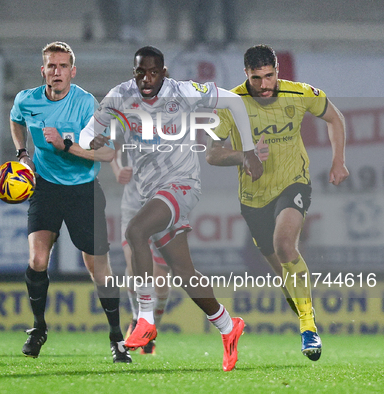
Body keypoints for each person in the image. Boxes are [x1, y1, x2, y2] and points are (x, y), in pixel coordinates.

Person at [80, 46, 263, 371]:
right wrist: (93, 141)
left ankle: (146, 319)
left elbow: (234, 101)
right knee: (184, 273)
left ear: (164, 73)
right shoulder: (119, 96)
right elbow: (87, 135)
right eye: (140, 73)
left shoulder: (185, 92)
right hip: (151, 191)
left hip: (182, 184)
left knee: (136, 231)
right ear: (134, 73)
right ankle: (227, 325)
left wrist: (247, 149)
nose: (146, 79)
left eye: (153, 72)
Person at [206, 44, 349, 361]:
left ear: (277, 72)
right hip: (253, 198)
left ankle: (309, 328)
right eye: (256, 78)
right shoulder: (231, 104)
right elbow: (212, 154)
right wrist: (244, 156)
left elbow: (335, 118)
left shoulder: (299, 94)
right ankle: (304, 317)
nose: (264, 85)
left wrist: (338, 161)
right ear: (246, 74)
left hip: (293, 182)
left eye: (269, 76)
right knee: (284, 276)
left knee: (285, 245)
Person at [9, 41, 131, 363]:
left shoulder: (87, 105)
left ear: (72, 72)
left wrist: (69, 147)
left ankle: (117, 337)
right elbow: (16, 119)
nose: (57, 72)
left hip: (83, 191)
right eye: (52, 66)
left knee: (98, 269)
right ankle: (38, 328)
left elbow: (107, 153)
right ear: (43, 70)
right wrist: (22, 153)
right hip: (45, 187)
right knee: (37, 259)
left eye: (63, 66)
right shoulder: (27, 99)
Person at [110, 146, 171, 355]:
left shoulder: (176, 122)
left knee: (161, 281)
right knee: (134, 265)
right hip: (133, 207)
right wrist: (117, 168)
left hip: (166, 207)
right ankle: (139, 320)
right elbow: (113, 147)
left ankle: (151, 331)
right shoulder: (130, 117)